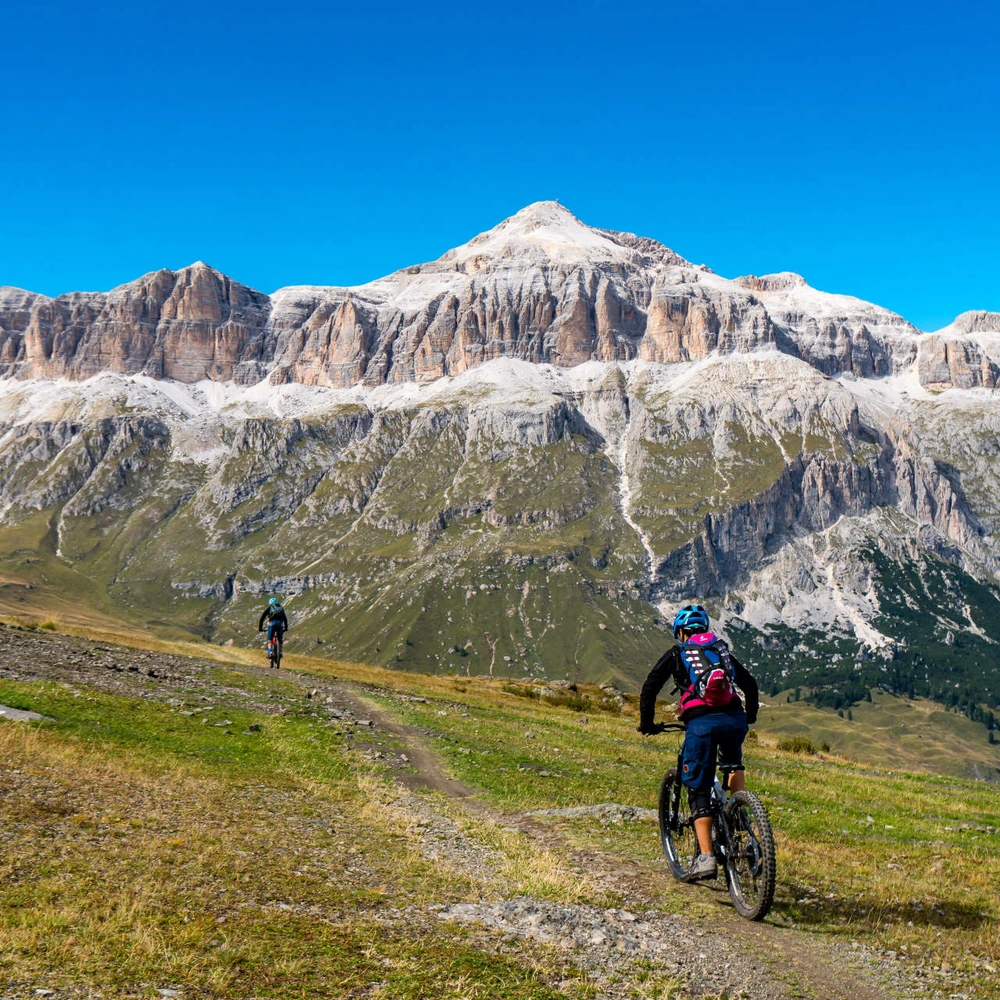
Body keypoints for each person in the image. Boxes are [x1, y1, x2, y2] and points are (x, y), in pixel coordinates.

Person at [638, 603, 759, 880]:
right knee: (731, 763)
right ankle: (739, 811)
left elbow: (650, 687)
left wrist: (647, 723)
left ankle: (705, 858)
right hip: (734, 719)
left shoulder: (678, 653)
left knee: (698, 789)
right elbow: (749, 684)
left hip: (701, 723)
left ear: (681, 632)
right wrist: (748, 717)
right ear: (704, 629)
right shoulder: (720, 650)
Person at [258, 597, 289, 664]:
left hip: (272, 624)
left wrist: (260, 628)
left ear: (270, 603)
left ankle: (270, 653)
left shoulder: (269, 608)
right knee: (280, 639)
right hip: (279, 624)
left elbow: (262, 618)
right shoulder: (281, 609)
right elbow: (285, 619)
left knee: (270, 640)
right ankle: (280, 653)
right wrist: (286, 628)